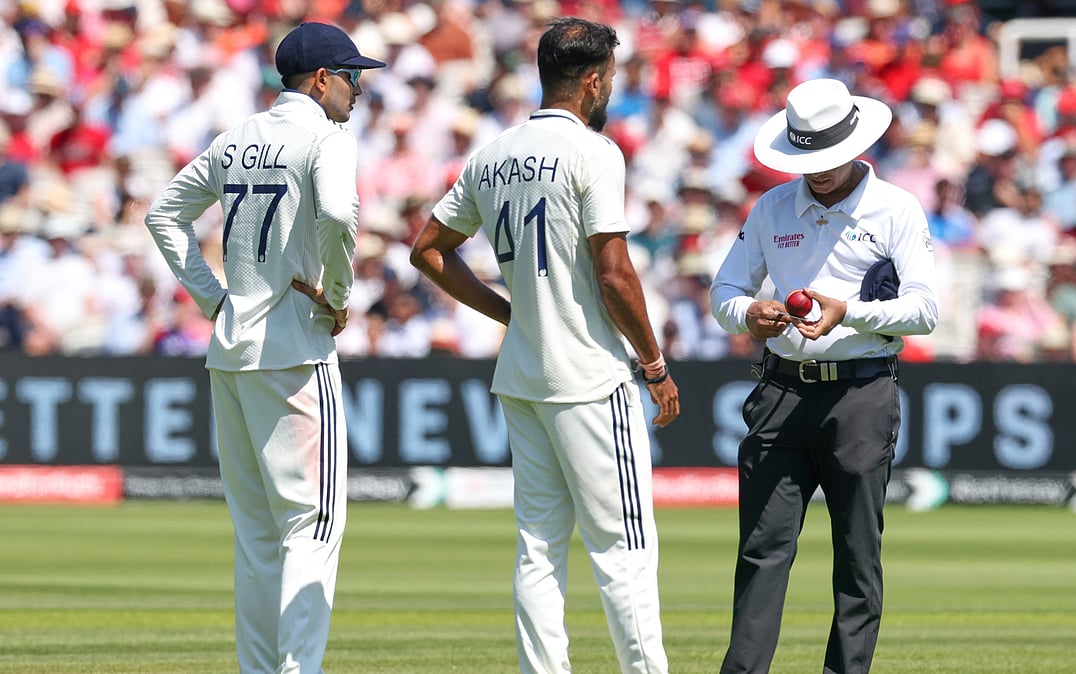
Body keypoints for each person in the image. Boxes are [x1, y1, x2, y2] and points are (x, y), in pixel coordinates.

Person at [409, 17, 679, 674]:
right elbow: (614, 272)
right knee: (625, 553)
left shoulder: (492, 153)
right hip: (590, 376)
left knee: (538, 549)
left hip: (525, 376)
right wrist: (655, 364)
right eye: (609, 77)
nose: (610, 87)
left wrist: (510, 313)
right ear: (591, 79)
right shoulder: (595, 151)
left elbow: (427, 252)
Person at [143, 22, 384, 674]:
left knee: (257, 537)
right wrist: (338, 293)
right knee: (313, 525)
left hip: (231, 348)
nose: (361, 90)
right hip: (298, 349)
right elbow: (337, 215)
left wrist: (212, 299)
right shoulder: (328, 139)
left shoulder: (236, 138)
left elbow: (163, 214)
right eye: (353, 77)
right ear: (322, 79)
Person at [710, 78, 939, 674]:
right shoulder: (772, 206)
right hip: (781, 388)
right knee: (762, 549)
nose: (818, 171)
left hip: (861, 392)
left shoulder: (896, 208)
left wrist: (850, 311)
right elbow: (726, 290)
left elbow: (925, 310)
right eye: (807, 157)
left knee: (857, 556)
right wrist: (749, 314)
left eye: (827, 158)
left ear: (854, 145)